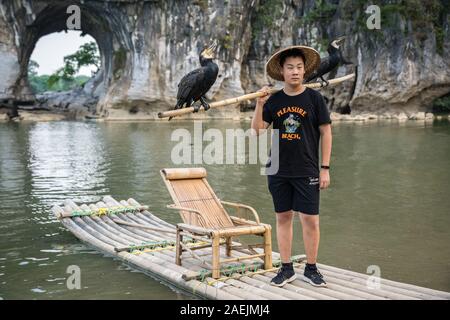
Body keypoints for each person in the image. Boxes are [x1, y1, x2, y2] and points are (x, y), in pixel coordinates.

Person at [251, 45, 332, 287]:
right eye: (290, 68)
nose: (295, 72)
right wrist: (259, 104)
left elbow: (327, 133)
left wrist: (325, 168)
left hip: (307, 170)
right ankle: (286, 268)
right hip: (278, 169)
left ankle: (311, 268)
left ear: (304, 71)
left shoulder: (315, 99)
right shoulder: (274, 100)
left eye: (299, 67)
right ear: (282, 72)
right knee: (283, 217)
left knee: (311, 220)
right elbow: (256, 132)